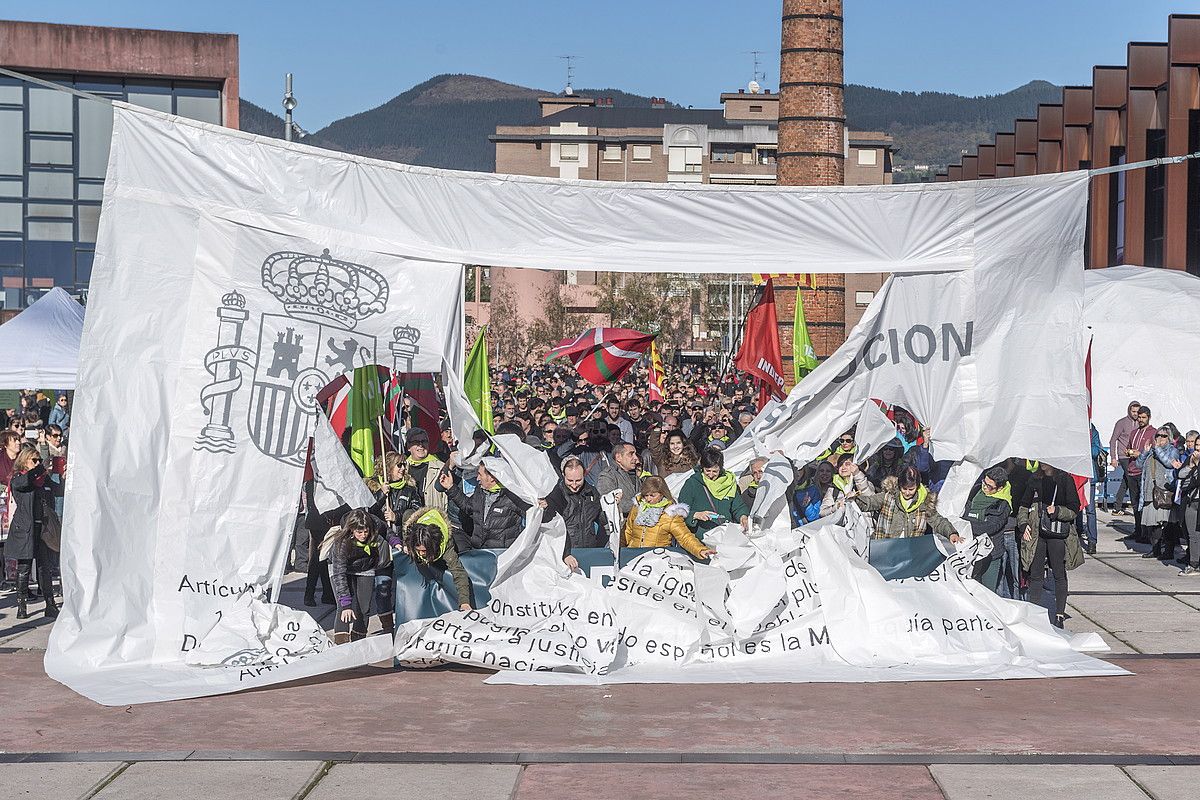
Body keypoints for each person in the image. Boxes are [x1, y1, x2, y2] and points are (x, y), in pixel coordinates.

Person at [1017, 463, 1082, 628]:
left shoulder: (1065, 480)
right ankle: (1034, 612)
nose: (1042, 463)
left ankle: (1059, 614)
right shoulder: (1035, 479)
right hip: (1038, 533)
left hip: (1058, 533)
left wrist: (1058, 511)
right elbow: (1024, 505)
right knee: (1036, 574)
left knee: (1058, 573)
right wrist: (1024, 525)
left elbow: (1074, 509)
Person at [327, 508, 392, 644]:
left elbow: (388, 533)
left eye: (366, 532)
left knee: (363, 608)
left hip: (365, 566)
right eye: (359, 532)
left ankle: (359, 641)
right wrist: (346, 603)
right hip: (341, 569)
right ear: (351, 530)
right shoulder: (342, 542)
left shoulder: (375, 525)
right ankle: (341, 644)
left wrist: (396, 542)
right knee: (344, 609)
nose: (363, 535)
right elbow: (339, 574)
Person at [8, 445, 58, 619]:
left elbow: (58, 491)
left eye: (38, 460)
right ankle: (21, 606)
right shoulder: (19, 479)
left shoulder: (43, 479)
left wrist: (63, 476)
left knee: (45, 568)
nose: (37, 464)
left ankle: (50, 605)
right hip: (25, 531)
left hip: (42, 530)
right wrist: (41, 467)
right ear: (25, 461)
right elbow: (26, 481)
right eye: (34, 460)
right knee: (24, 568)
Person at [440, 462, 531, 550]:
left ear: (492, 477)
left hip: (501, 555)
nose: (477, 478)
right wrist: (451, 487)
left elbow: (536, 515)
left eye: (480, 474)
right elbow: (469, 507)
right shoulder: (480, 491)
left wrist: (544, 505)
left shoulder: (513, 496)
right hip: (479, 552)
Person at [621, 476, 714, 560]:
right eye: (646, 495)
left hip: (656, 559)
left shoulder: (671, 514)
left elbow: (684, 537)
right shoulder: (637, 508)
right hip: (632, 557)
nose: (648, 499)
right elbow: (627, 531)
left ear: (662, 494)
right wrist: (620, 550)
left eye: (652, 495)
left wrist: (700, 550)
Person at [854, 466, 956, 540]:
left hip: (909, 552)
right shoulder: (889, 496)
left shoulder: (925, 503)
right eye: (904, 488)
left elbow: (938, 521)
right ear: (899, 485)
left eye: (911, 489)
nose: (907, 493)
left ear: (917, 486)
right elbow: (869, 502)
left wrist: (951, 533)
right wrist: (854, 500)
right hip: (885, 547)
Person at [402, 506, 472, 611]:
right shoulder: (411, 530)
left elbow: (459, 573)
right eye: (418, 550)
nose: (421, 553)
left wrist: (464, 602)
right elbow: (407, 516)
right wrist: (405, 544)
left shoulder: (446, 546)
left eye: (424, 551)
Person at [678, 447, 750, 538]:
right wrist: (695, 515)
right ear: (702, 468)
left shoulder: (728, 482)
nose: (711, 475)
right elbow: (680, 510)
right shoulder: (692, 483)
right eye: (707, 471)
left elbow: (738, 506)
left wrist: (743, 516)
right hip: (701, 538)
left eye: (715, 471)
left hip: (725, 535)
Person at [1135, 426, 1181, 561]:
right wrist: (1145, 452)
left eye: (1163, 436)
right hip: (1150, 490)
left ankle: (1168, 550)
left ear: (1169, 438)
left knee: (1167, 523)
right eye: (1158, 435)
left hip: (1164, 491)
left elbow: (1169, 463)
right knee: (1152, 524)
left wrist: (1158, 449)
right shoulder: (1152, 451)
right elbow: (1138, 465)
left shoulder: (1173, 451)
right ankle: (1155, 549)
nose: (1160, 438)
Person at [964, 467, 1016, 585]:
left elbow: (990, 527)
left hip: (990, 554)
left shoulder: (1003, 503)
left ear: (1000, 488)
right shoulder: (976, 490)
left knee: (987, 592)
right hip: (969, 550)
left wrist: (965, 524)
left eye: (990, 486)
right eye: (984, 482)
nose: (985, 488)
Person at [544, 456, 606, 550]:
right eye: (569, 480)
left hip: (590, 548)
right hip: (566, 550)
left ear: (584, 475)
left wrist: (610, 505)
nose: (574, 485)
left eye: (578, 480)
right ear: (563, 475)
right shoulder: (556, 494)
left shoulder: (592, 492)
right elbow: (550, 529)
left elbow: (602, 519)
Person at [371, 452, 423, 546]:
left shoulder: (409, 489)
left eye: (404, 465)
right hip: (380, 539)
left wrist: (396, 516)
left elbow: (418, 512)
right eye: (399, 465)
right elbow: (369, 510)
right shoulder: (373, 486)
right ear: (389, 467)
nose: (403, 468)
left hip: (402, 540)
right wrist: (381, 493)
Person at [1122, 405, 1156, 542]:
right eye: (1139, 417)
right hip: (1131, 470)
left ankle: (1147, 533)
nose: (1141, 420)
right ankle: (1138, 530)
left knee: (1145, 503)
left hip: (1144, 472)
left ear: (1149, 417)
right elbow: (1130, 447)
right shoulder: (1133, 432)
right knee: (1135, 504)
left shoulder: (1153, 432)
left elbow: (1154, 453)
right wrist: (1128, 452)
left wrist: (1140, 454)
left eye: (1143, 417)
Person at [403, 427, 448, 514]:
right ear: (408, 447)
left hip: (433, 521)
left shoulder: (441, 467)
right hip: (409, 522)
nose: (421, 445)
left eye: (424, 441)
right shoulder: (401, 468)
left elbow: (446, 500)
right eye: (416, 442)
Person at [1108, 401, 1141, 514]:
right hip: (1124, 456)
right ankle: (1135, 506)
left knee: (1126, 481)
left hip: (1135, 456)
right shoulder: (1121, 423)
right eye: (1134, 411)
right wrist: (1113, 457)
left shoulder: (1140, 423)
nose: (1136, 414)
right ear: (1129, 410)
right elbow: (1113, 440)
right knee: (1131, 480)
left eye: (1137, 411)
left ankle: (1117, 507)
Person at [595, 442, 643, 520]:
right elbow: (608, 502)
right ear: (618, 457)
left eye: (635, 454)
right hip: (619, 526)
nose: (636, 458)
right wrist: (640, 505)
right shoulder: (608, 475)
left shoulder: (635, 475)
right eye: (631, 454)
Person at [1175, 437, 1200, 576]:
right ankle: (1193, 562)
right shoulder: (1191, 458)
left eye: (1199, 445)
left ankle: (1195, 563)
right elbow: (1181, 474)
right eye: (1196, 445)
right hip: (1190, 501)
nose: (1197, 448)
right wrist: (1191, 465)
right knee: (1191, 534)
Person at [819, 453, 872, 517]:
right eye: (840, 465)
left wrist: (857, 475)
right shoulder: (833, 489)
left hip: (863, 524)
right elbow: (822, 512)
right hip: (843, 526)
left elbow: (870, 500)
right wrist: (837, 506)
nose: (843, 467)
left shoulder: (864, 482)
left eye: (847, 464)